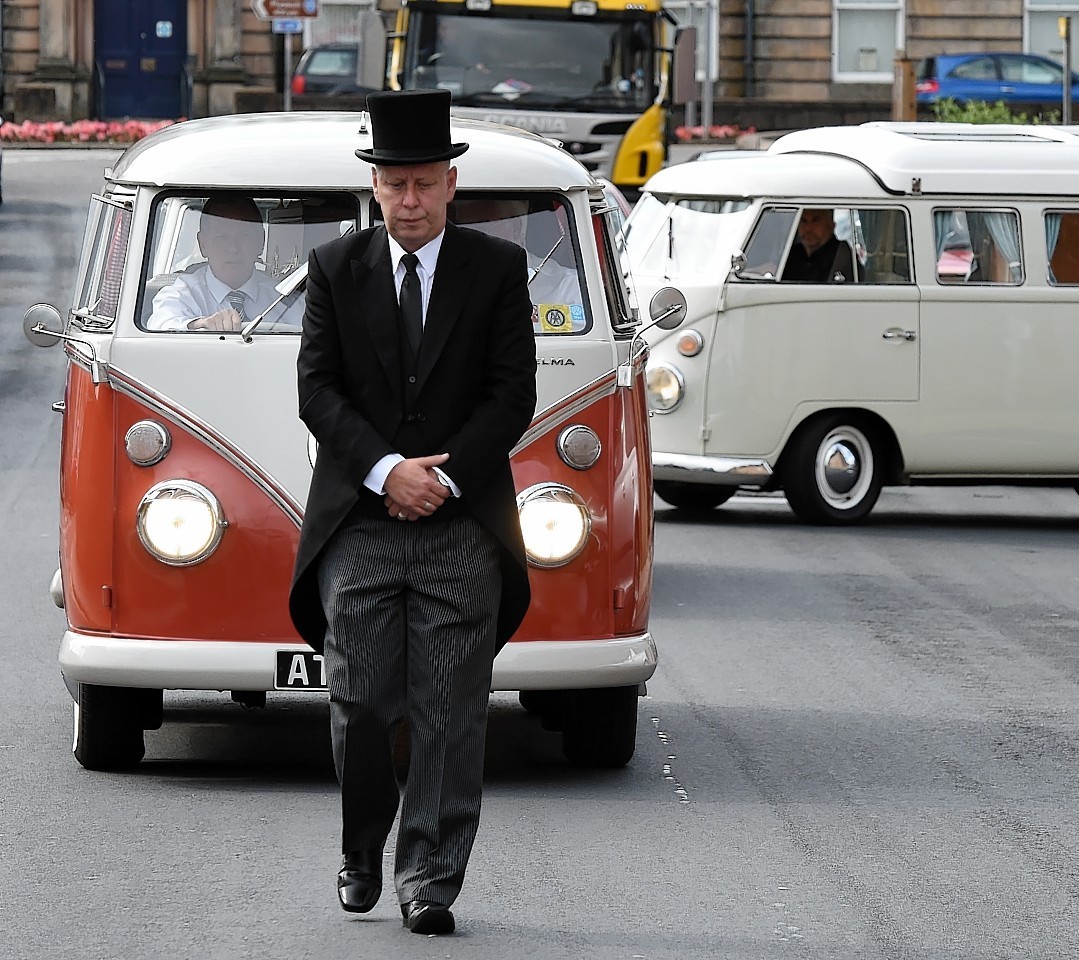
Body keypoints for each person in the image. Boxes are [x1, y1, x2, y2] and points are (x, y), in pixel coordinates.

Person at [287, 89, 537, 936]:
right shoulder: (333, 268)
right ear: (376, 189)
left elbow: (512, 399)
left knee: (448, 709)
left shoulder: (497, 271)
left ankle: (429, 876)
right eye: (395, 186)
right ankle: (362, 847)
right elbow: (316, 394)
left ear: (451, 184)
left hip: (462, 528)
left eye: (425, 184)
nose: (410, 202)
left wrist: (443, 480)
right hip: (356, 524)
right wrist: (389, 472)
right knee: (358, 700)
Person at [145, 194, 305, 331]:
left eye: (244, 236)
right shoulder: (182, 293)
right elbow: (160, 324)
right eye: (221, 237)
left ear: (261, 242)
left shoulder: (286, 299)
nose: (233, 248)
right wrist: (199, 324)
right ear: (203, 244)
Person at [781, 207, 857, 283]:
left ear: (831, 225)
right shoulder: (791, 255)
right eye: (803, 221)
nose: (808, 228)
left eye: (815, 221)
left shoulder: (840, 255)